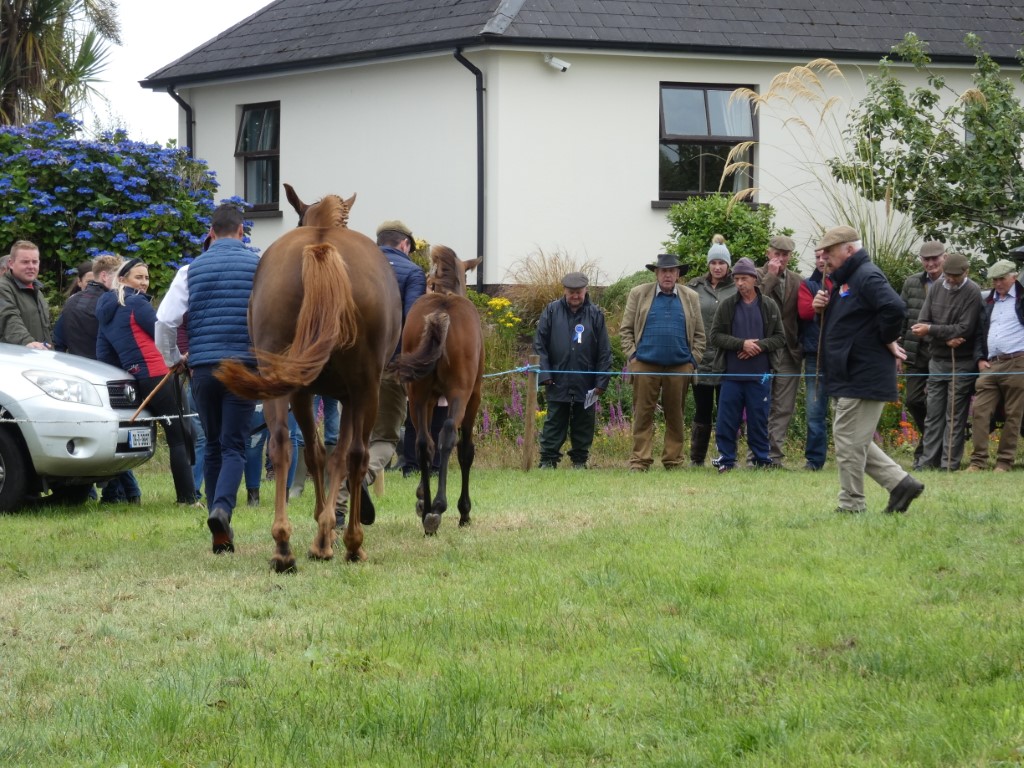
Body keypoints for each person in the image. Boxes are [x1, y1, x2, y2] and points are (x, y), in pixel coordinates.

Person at [157, 204, 259, 553]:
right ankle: (222, 510)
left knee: (213, 444)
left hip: (202, 368)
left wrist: (174, 359)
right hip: (243, 366)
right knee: (234, 446)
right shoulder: (259, 267)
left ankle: (221, 534)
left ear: (211, 232)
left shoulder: (190, 270)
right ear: (241, 232)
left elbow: (165, 321)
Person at [812, 226, 924, 514]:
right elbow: (848, 324)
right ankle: (901, 484)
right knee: (852, 440)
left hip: (862, 374)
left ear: (849, 250)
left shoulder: (866, 276)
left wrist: (886, 338)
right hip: (850, 373)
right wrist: (821, 310)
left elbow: (894, 308)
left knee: (849, 442)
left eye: (829, 252)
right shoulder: (847, 281)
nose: (824, 258)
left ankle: (851, 504)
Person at [335, 219, 426, 524]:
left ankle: (337, 508)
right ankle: (360, 478)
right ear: (405, 244)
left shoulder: (353, 266)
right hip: (389, 367)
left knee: (349, 435)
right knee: (385, 439)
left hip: (347, 368)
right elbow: (411, 322)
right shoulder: (412, 273)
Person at [96, 258, 197, 505]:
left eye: (146, 278)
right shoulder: (137, 303)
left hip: (137, 380)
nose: (144, 283)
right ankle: (187, 499)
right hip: (160, 374)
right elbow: (162, 335)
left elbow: (103, 354)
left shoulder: (105, 312)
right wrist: (179, 358)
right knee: (181, 437)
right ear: (122, 279)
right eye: (138, 277)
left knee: (180, 435)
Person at [619, 253, 705, 471]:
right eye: (663, 271)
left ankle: (673, 461)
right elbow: (625, 330)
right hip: (645, 364)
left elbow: (700, 335)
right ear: (656, 273)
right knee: (642, 415)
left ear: (678, 274)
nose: (667, 275)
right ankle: (640, 461)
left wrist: (692, 361)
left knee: (675, 415)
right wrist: (633, 357)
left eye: (672, 271)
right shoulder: (639, 293)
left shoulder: (691, 297)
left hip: (679, 366)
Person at [709, 257, 786, 473]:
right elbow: (715, 336)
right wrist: (741, 344)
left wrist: (758, 346)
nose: (740, 283)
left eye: (744, 278)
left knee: (758, 420)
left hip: (760, 375)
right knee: (726, 421)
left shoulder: (768, 305)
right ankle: (726, 460)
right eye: (736, 279)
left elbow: (780, 338)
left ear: (754, 279)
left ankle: (761, 460)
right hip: (731, 375)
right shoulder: (727, 305)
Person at [910, 252, 982, 470]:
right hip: (937, 360)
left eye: (955, 276)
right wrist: (944, 337)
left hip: (962, 362)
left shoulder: (973, 291)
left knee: (954, 416)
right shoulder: (936, 288)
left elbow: (965, 328)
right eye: (948, 275)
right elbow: (921, 324)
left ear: (966, 272)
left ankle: (948, 464)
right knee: (933, 415)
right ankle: (927, 463)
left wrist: (932, 330)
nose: (950, 279)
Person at [534, 271, 612, 469]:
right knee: (554, 421)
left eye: (579, 292)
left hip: (587, 380)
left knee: (584, 422)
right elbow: (539, 345)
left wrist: (601, 382)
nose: (575, 296)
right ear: (564, 291)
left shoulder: (595, 314)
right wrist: (545, 374)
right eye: (571, 292)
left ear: (586, 290)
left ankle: (579, 461)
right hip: (557, 379)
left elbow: (604, 351)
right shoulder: (551, 311)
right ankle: (548, 460)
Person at [967, 260, 1024, 472]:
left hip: (1018, 362)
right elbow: (979, 332)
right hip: (991, 364)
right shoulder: (989, 300)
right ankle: (977, 461)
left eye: (1001, 279)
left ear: (1014, 277)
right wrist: (980, 358)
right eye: (994, 280)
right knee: (980, 411)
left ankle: (1004, 462)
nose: (997, 283)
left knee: (1013, 414)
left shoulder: (1022, 298)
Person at [686, 235, 737, 466]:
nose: (717, 267)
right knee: (702, 410)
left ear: (728, 265)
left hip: (727, 359)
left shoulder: (737, 287)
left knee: (726, 411)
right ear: (708, 264)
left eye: (722, 263)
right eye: (713, 263)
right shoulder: (695, 287)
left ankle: (726, 456)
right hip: (702, 360)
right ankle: (697, 458)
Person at [756, 235, 803, 465]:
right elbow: (754, 304)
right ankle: (756, 455)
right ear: (768, 253)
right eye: (777, 254)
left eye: (785, 255)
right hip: (761, 350)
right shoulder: (755, 275)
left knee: (783, 407)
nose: (781, 258)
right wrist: (771, 277)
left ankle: (774, 456)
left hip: (788, 351)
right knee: (759, 404)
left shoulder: (798, 280)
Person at [900, 241, 946, 468]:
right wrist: (898, 349)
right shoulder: (912, 282)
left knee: (937, 404)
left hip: (943, 351)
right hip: (916, 351)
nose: (930, 263)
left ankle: (926, 452)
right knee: (913, 400)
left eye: (935, 258)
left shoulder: (953, 281)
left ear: (944, 257)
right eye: (926, 259)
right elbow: (901, 316)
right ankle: (932, 441)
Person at [796, 248, 833, 470]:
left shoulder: (847, 282)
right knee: (814, 411)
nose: (821, 261)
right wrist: (819, 306)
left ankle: (855, 457)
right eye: (817, 257)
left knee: (849, 410)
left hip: (845, 356)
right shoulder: (808, 284)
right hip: (815, 355)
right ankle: (815, 460)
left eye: (825, 257)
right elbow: (805, 312)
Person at [0, 240, 52, 348]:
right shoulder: (3, 288)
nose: (31, 266)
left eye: (35, 262)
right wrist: (27, 341)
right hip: (15, 356)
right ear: (11, 264)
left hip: (37, 354)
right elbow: (8, 318)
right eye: (25, 262)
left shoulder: (37, 291)